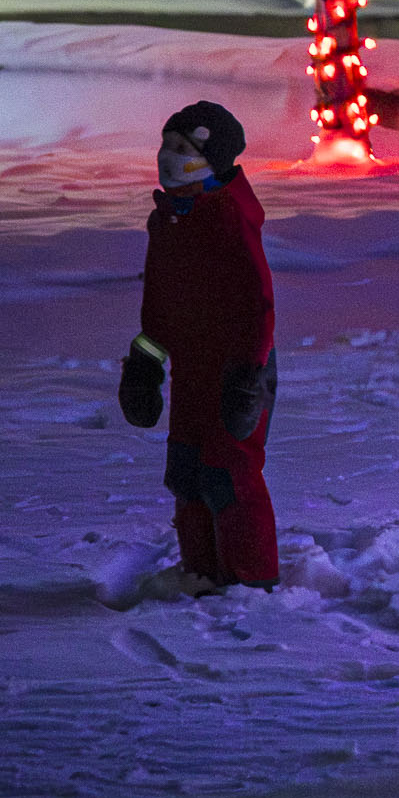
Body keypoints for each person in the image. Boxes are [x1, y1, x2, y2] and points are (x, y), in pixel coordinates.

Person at [117, 101, 279, 589]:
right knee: (187, 470)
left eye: (182, 148)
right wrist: (146, 362)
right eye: (166, 145)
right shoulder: (169, 219)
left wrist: (247, 378)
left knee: (228, 474)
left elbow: (257, 304)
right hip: (189, 368)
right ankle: (201, 572)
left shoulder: (228, 219)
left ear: (214, 160)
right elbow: (160, 302)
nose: (168, 156)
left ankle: (249, 581)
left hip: (235, 370)